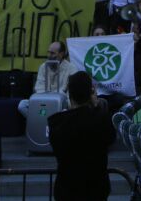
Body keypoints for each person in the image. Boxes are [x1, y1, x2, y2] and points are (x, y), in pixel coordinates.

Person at [49, 71, 116, 201]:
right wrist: (96, 106)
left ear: (70, 94)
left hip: (67, 189)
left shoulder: (57, 123)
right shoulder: (100, 119)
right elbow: (110, 138)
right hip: (95, 189)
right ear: (91, 93)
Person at [19, 41, 73, 118]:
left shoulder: (71, 69)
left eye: (52, 53)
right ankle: (39, 123)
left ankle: (48, 122)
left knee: (65, 110)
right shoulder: (43, 67)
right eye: (48, 52)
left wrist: (57, 97)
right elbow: (39, 90)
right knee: (22, 105)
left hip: (61, 104)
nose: (49, 56)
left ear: (61, 54)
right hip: (44, 101)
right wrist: (55, 95)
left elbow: (70, 97)